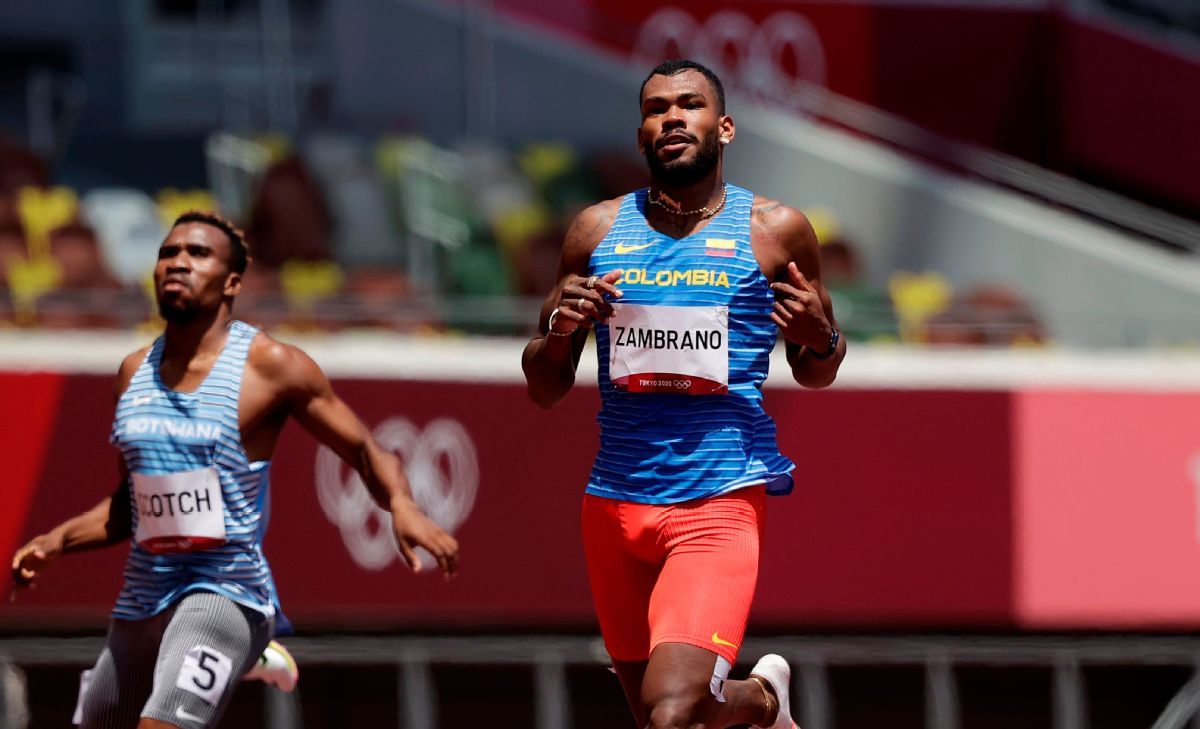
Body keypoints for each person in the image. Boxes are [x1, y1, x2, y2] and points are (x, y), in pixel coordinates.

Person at [9, 211, 460, 729]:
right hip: (144, 600)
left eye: (197, 254)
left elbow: (365, 449)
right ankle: (242, 659)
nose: (178, 263)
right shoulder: (133, 374)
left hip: (225, 593)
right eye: (168, 253)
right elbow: (131, 504)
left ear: (231, 283)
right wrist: (57, 541)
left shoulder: (271, 366)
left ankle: (241, 645)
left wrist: (402, 504)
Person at [522, 59, 845, 729]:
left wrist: (819, 338)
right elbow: (545, 384)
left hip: (717, 501)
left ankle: (757, 700)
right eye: (656, 108)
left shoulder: (776, 230)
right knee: (665, 722)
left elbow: (818, 367)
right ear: (642, 136)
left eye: (689, 104)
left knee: (671, 709)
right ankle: (762, 702)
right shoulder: (595, 232)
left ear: (723, 127)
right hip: (613, 505)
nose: (671, 117)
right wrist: (560, 333)